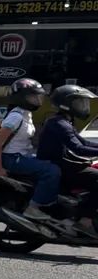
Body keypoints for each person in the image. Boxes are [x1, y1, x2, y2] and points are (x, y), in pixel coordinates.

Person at [0, 77, 59, 221]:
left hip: (22, 156)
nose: (37, 100)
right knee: (52, 171)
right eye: (33, 97)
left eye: (38, 96)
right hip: (12, 158)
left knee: (56, 162)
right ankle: (35, 207)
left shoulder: (25, 114)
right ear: (22, 98)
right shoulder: (16, 117)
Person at [37, 83, 98, 240]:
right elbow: (78, 148)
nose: (83, 106)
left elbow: (84, 143)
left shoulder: (64, 122)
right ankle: (85, 221)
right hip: (59, 167)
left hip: (64, 164)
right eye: (79, 102)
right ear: (66, 104)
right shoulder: (59, 123)